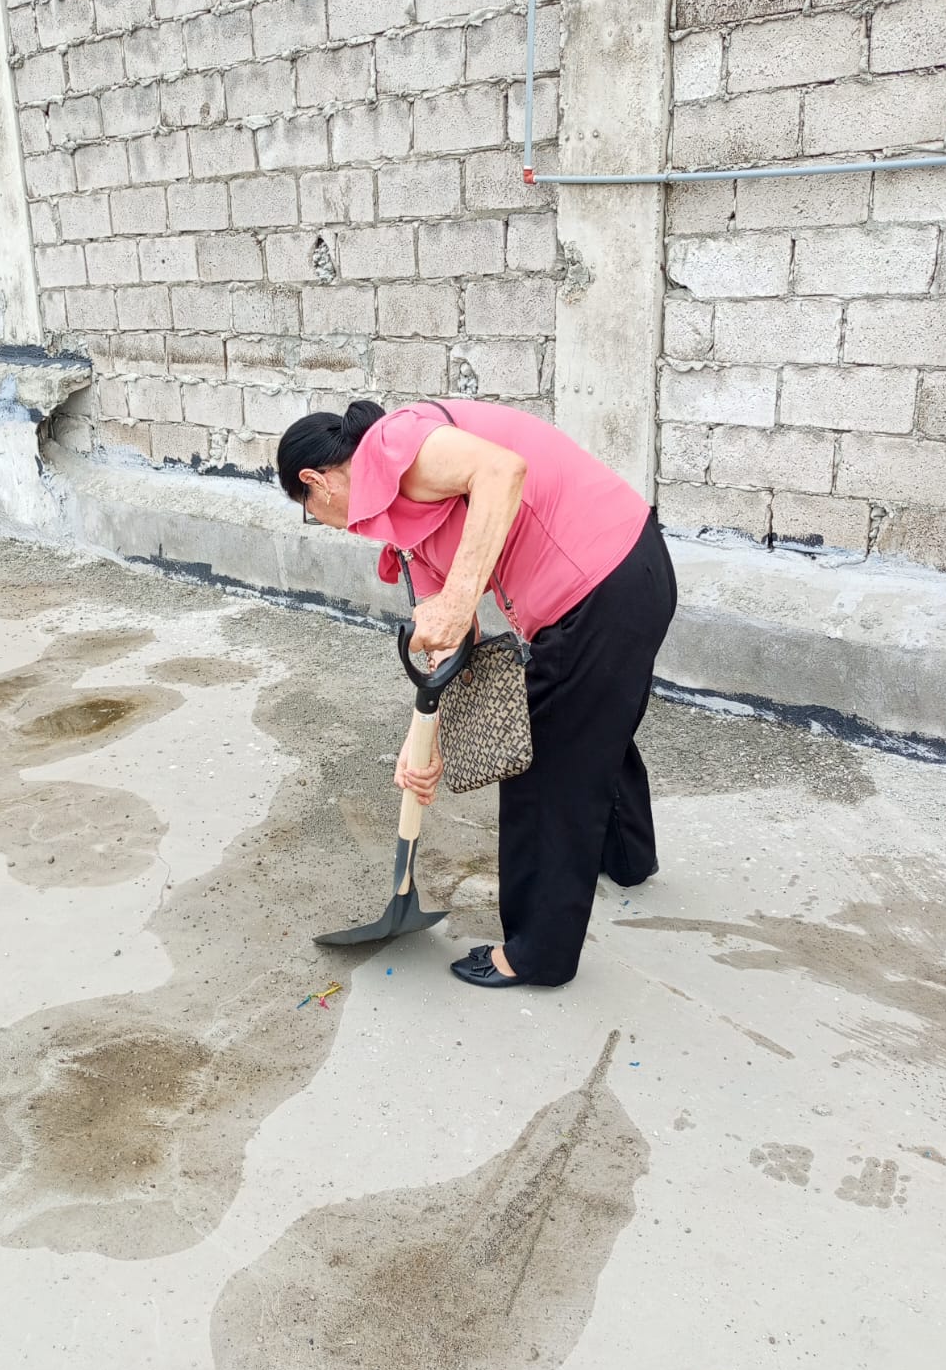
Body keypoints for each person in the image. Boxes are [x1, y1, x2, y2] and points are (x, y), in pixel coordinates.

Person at [276, 398, 677, 991]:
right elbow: (450, 645)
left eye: (309, 510)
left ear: (316, 482)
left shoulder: (394, 443)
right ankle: (627, 858)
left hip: (600, 587)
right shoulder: (409, 529)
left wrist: (461, 597)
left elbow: (501, 470)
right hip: (626, 573)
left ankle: (537, 955)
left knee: (547, 764)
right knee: (590, 720)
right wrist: (426, 742)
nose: (326, 520)